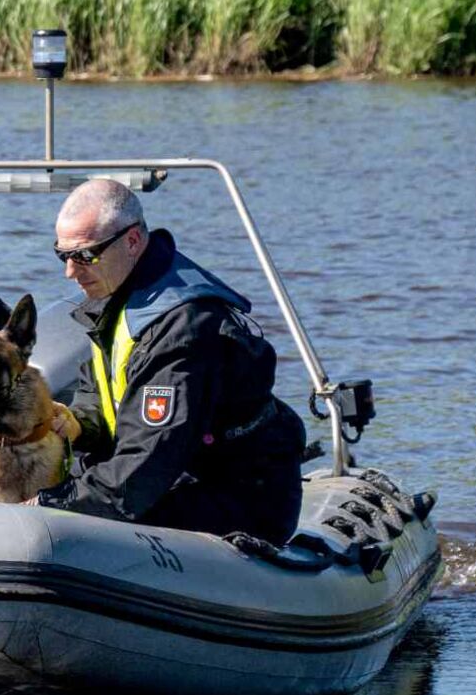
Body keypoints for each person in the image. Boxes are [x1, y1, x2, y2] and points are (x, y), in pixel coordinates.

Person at [31, 179, 306, 544]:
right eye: (63, 255)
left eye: (85, 255)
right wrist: (79, 421)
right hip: (164, 475)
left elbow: (146, 465)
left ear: (131, 241)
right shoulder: (112, 298)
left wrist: (45, 506)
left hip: (233, 496)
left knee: (57, 516)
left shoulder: (183, 328)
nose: (70, 271)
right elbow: (99, 393)